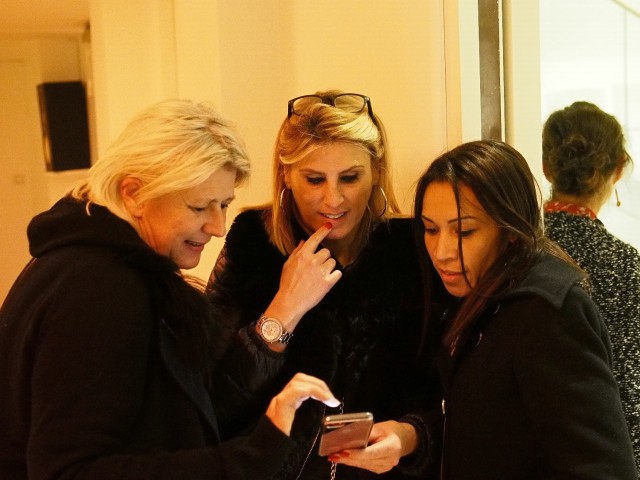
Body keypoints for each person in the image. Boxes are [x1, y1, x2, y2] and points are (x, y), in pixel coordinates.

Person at [0, 99, 342, 480]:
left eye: (224, 204)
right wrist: (249, 458)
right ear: (133, 194)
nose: (217, 227)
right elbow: (70, 471)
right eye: (198, 207)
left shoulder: (85, 267)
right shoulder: (99, 290)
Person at [206, 90, 441, 479]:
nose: (333, 199)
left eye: (350, 177)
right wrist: (284, 309)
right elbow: (210, 400)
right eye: (314, 179)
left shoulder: (413, 249)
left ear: (376, 170)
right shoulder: (253, 243)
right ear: (286, 175)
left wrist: (412, 436)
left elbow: (464, 393)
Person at [411, 139, 636, 479]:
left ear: (511, 230)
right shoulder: (478, 294)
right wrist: (412, 437)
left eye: (465, 231)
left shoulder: (547, 312)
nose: (441, 251)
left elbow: (602, 468)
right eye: (430, 229)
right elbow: (491, 426)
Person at [542, 101, 640, 473]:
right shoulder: (625, 263)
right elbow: (630, 387)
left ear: (547, 167)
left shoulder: (515, 248)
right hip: (603, 456)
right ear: (618, 169)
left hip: (527, 451)